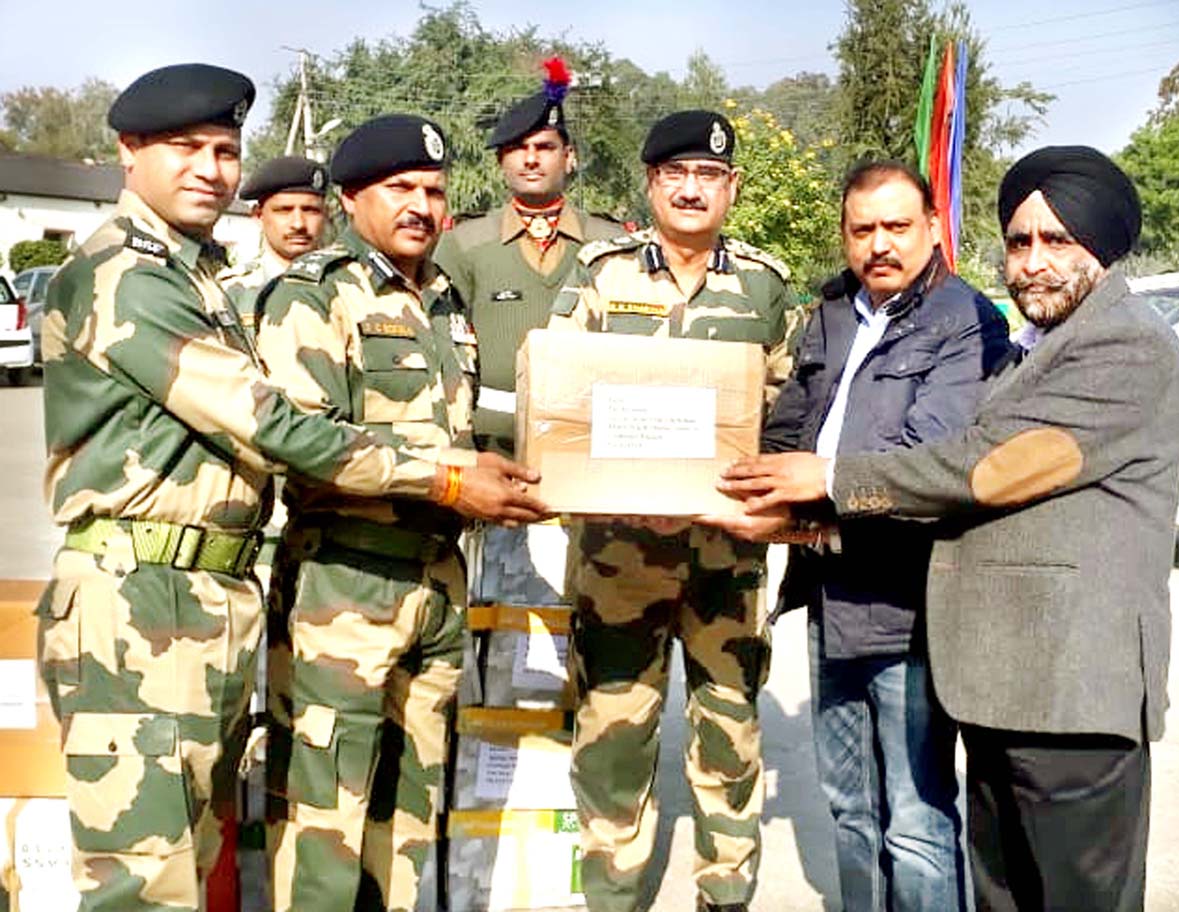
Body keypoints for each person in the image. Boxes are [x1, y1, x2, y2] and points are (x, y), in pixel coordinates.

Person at [35, 65, 542, 912]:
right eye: (185, 149)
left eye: (226, 151)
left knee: (199, 859)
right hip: (140, 602)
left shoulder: (194, 272)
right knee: (146, 880)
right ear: (127, 152)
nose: (211, 168)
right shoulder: (127, 274)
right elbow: (275, 427)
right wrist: (453, 477)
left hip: (208, 593)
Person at [713, 146, 1179, 912]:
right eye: (1021, 241)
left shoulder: (1125, 344)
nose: (1034, 262)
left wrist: (829, 479)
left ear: (1102, 245)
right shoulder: (1034, 343)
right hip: (1002, 687)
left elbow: (986, 468)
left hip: (1072, 689)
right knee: (1001, 890)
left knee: (1073, 894)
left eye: (1058, 241)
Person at [254, 114, 547, 912]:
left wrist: (494, 469)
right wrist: (452, 484)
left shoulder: (443, 297)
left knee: (409, 811)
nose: (421, 205)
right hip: (343, 587)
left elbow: (448, 429)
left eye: (434, 191)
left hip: (436, 584)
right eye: (400, 189)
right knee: (326, 821)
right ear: (352, 200)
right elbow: (304, 441)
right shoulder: (313, 294)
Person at [547, 110, 801, 912]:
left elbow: (790, 411)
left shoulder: (764, 284)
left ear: (731, 189)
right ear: (652, 184)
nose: (693, 190)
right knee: (613, 741)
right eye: (677, 175)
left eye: (711, 177)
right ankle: (614, 898)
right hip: (618, 559)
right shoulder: (599, 271)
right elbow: (561, 400)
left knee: (729, 745)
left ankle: (723, 900)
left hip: (726, 559)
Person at [759, 159, 1011, 911]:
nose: (879, 245)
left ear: (934, 228)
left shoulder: (967, 320)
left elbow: (930, 460)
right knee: (846, 804)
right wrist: (782, 490)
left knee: (916, 816)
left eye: (897, 226)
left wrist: (819, 487)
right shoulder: (831, 310)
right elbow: (786, 430)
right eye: (862, 229)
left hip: (913, 599)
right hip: (830, 592)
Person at [434, 58, 625, 606]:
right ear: (501, 162)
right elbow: (446, 348)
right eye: (519, 148)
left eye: (545, 147)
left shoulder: (609, 244)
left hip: (586, 452)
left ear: (570, 157)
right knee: (489, 607)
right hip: (490, 448)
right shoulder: (462, 245)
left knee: (584, 603)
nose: (532, 158)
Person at [219, 155, 329, 336]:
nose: (298, 224)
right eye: (284, 210)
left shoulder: (351, 287)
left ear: (325, 214)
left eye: (311, 210)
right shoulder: (230, 292)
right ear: (258, 215)